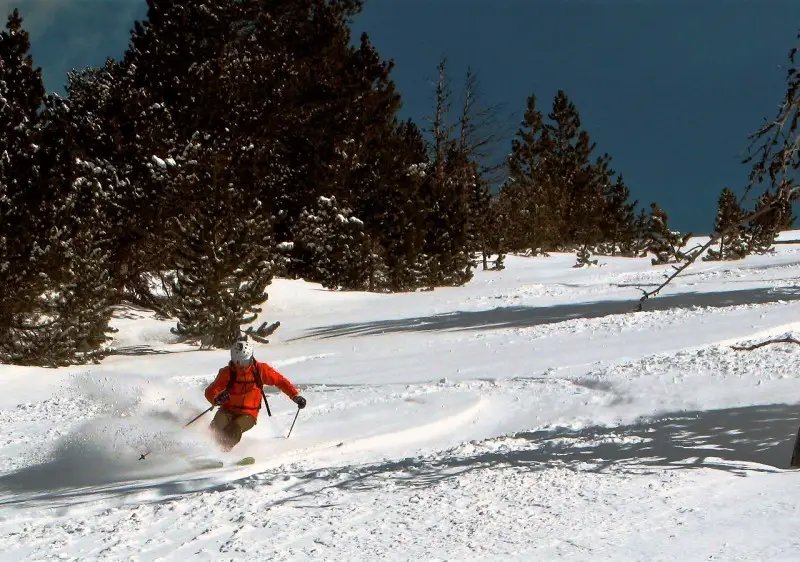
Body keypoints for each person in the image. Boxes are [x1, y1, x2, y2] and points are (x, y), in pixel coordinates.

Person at [204, 336, 306, 451]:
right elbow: (210, 391)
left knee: (235, 427)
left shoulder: (260, 370)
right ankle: (203, 448)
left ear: (251, 358)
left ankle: (220, 452)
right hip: (228, 409)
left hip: (248, 413)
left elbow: (280, 381)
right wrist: (216, 398)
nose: (241, 366)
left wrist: (295, 396)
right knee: (217, 425)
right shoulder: (227, 373)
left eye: (244, 361)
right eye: (237, 362)